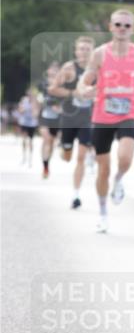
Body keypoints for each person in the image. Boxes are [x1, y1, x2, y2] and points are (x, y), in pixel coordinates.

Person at [80, 9, 134, 233]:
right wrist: (84, 90)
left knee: (124, 158)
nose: (122, 29)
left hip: (129, 114)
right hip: (102, 116)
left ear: (133, 29)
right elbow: (84, 81)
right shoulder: (100, 54)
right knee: (103, 168)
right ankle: (103, 213)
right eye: (118, 25)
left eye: (127, 26)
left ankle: (120, 179)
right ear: (111, 27)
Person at [49, 36, 95, 210]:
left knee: (81, 157)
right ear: (76, 51)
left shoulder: (98, 69)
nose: (84, 52)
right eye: (81, 49)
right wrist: (72, 93)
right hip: (69, 118)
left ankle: (76, 194)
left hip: (87, 119)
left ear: (93, 52)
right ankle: (64, 147)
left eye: (87, 49)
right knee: (67, 157)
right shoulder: (69, 68)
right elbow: (53, 88)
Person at [37, 63, 62, 178]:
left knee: (51, 142)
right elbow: (37, 97)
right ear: (48, 71)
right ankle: (44, 165)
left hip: (56, 118)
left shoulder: (62, 86)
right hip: (44, 116)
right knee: (46, 139)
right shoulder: (42, 84)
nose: (54, 72)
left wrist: (60, 107)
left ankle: (47, 165)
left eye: (56, 70)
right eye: (52, 70)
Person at [17, 90, 39, 166]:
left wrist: (33, 110)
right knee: (24, 140)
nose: (30, 97)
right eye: (28, 95)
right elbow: (20, 110)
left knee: (30, 141)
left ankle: (30, 159)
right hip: (24, 123)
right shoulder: (23, 101)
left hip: (32, 124)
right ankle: (24, 157)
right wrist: (25, 109)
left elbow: (36, 113)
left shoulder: (35, 102)